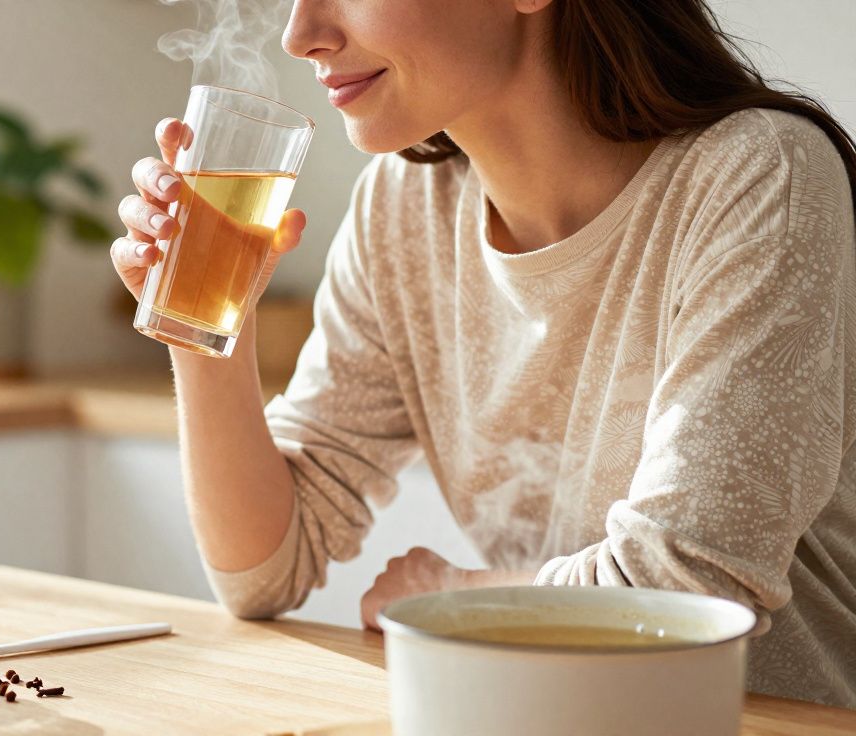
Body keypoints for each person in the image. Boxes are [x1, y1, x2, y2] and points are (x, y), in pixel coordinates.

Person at [111, 0, 856, 709]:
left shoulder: (760, 175)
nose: (300, 34)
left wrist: (460, 597)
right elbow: (264, 569)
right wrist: (199, 323)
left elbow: (688, 593)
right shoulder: (404, 207)